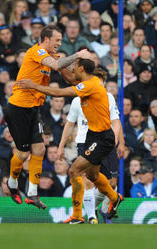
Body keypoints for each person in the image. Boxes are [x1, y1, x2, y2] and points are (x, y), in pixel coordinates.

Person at [16, 58, 123, 223]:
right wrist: (59, 64)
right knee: (93, 175)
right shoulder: (89, 80)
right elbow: (70, 78)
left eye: (75, 67)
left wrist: (34, 85)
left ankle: (77, 215)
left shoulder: (90, 85)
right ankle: (115, 198)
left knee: (74, 171)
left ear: (81, 68)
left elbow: (59, 92)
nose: (73, 70)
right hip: (93, 136)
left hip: (102, 137)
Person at [4, 24, 92, 209]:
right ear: (46, 39)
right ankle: (12, 183)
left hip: (34, 109)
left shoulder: (52, 56)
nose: (59, 44)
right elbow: (58, 64)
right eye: (57, 40)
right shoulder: (36, 52)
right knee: (22, 153)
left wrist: (79, 74)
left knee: (40, 150)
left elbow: (68, 78)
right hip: (18, 107)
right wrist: (78, 54)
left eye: (60, 41)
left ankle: (32, 194)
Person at [56, 68, 124, 223]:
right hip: (85, 141)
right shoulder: (77, 100)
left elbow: (116, 120)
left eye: (101, 81)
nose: (98, 84)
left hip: (104, 141)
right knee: (85, 177)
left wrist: (118, 140)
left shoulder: (108, 97)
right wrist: (61, 145)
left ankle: (111, 199)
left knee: (109, 181)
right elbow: (69, 123)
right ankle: (90, 217)